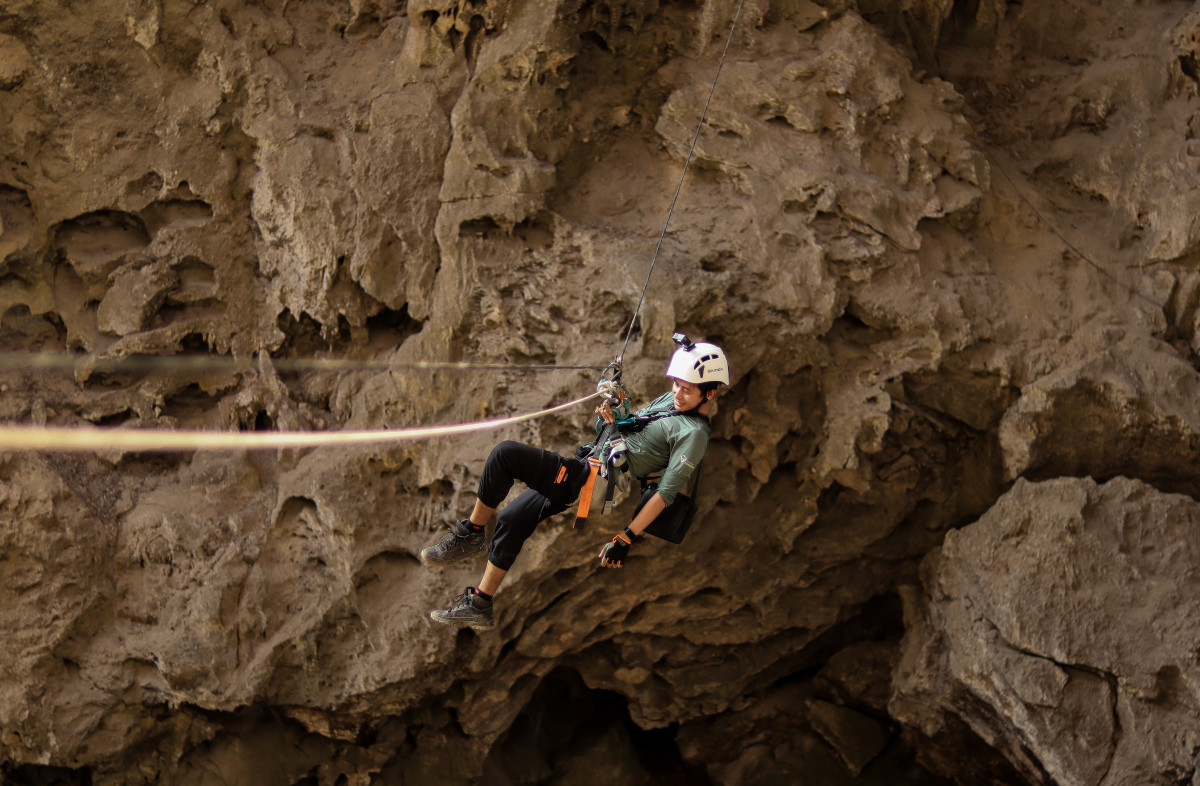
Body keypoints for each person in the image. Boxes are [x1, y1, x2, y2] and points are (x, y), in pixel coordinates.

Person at [421, 336, 730, 630]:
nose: (677, 393)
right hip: (590, 464)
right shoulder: (674, 402)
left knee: (505, 455)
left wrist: (626, 538)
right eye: (676, 384)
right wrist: (618, 408)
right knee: (513, 519)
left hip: (592, 481)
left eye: (688, 389)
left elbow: (665, 494)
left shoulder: (694, 435)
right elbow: (639, 428)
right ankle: (480, 604)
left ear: (710, 393)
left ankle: (470, 534)